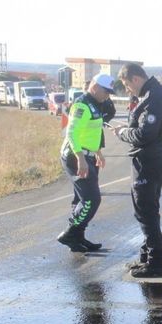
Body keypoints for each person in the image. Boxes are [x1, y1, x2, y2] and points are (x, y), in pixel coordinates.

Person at [111, 63, 162, 278]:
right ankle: (146, 256)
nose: (128, 90)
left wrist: (122, 132)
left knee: (146, 212)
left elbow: (144, 135)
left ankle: (155, 261)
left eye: (127, 85)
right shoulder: (160, 93)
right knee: (148, 210)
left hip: (149, 161)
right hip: (156, 160)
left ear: (136, 79)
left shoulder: (153, 97)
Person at [57, 73, 115, 252]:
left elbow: (93, 132)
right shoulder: (82, 104)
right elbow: (72, 133)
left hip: (88, 154)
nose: (108, 95)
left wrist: (98, 152)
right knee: (92, 199)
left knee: (82, 199)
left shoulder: (96, 103)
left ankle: (77, 237)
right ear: (95, 87)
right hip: (76, 155)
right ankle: (69, 234)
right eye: (106, 91)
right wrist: (81, 158)